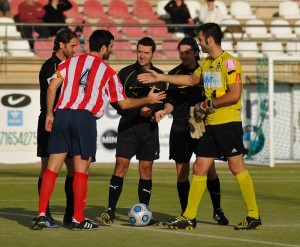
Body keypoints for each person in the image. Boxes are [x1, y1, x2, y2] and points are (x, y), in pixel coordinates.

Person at [32, 30, 166, 231]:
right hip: (83, 118)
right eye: (111, 47)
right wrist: (148, 99)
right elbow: (123, 103)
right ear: (103, 48)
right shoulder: (108, 71)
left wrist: (50, 114)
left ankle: (41, 214)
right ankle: (78, 219)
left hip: (62, 115)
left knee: (52, 168)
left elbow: (52, 87)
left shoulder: (72, 61)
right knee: (81, 169)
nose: (112, 50)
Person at [138, 23, 262, 230]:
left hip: (227, 123)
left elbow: (234, 94)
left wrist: (207, 105)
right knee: (199, 167)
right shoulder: (206, 64)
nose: (200, 42)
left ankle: (253, 215)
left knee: (236, 167)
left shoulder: (230, 63)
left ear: (210, 40)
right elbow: (190, 79)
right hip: (210, 125)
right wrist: (160, 77)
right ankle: (189, 216)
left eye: (201, 39)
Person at [155, 37, 228, 225]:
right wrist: (165, 110)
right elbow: (170, 101)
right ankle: (187, 214)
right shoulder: (174, 74)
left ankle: (217, 210)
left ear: (196, 52)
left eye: (188, 52)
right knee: (181, 170)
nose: (184, 55)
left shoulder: (206, 70)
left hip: (203, 125)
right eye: (181, 52)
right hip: (180, 126)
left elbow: (216, 95)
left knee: (209, 169)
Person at [100, 37, 165, 226]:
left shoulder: (159, 76)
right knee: (121, 166)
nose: (142, 55)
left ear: (153, 53)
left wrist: (156, 113)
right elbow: (116, 103)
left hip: (149, 129)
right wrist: (140, 109)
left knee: (146, 170)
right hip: (128, 126)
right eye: (139, 51)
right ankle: (110, 210)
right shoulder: (125, 74)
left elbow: (162, 103)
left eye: (146, 52)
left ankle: (145, 212)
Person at [36, 28, 78, 228]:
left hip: (68, 122)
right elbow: (53, 90)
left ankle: (70, 215)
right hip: (49, 122)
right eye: (72, 45)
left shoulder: (73, 65)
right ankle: (45, 214)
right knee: (47, 169)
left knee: (72, 170)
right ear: (61, 45)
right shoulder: (50, 66)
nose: (75, 49)